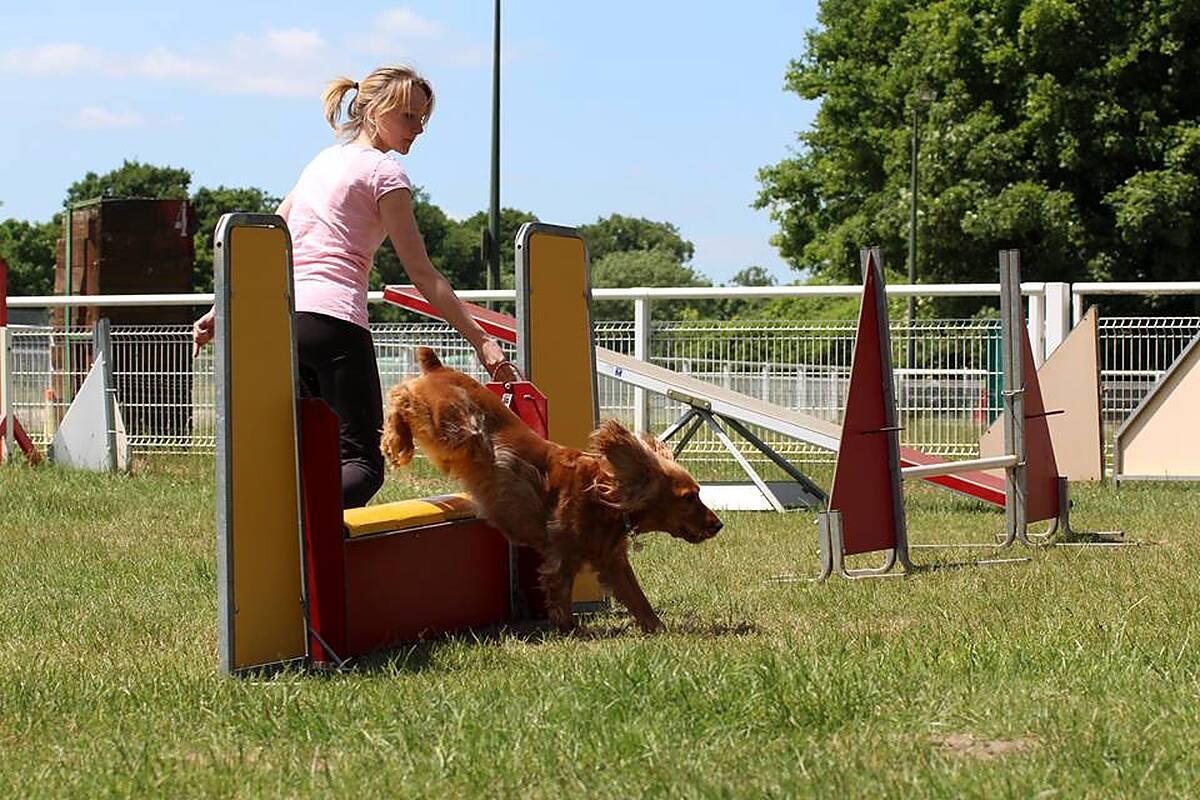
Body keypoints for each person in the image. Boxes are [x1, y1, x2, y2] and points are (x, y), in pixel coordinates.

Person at [193, 64, 511, 508]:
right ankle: (300, 526)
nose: (418, 129)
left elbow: (268, 236)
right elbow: (421, 273)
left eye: (422, 119)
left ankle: (285, 543)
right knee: (362, 463)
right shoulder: (385, 174)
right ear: (376, 110)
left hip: (285, 326)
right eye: (408, 116)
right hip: (335, 324)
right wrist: (481, 342)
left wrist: (220, 308)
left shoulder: (321, 163)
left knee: (306, 455)